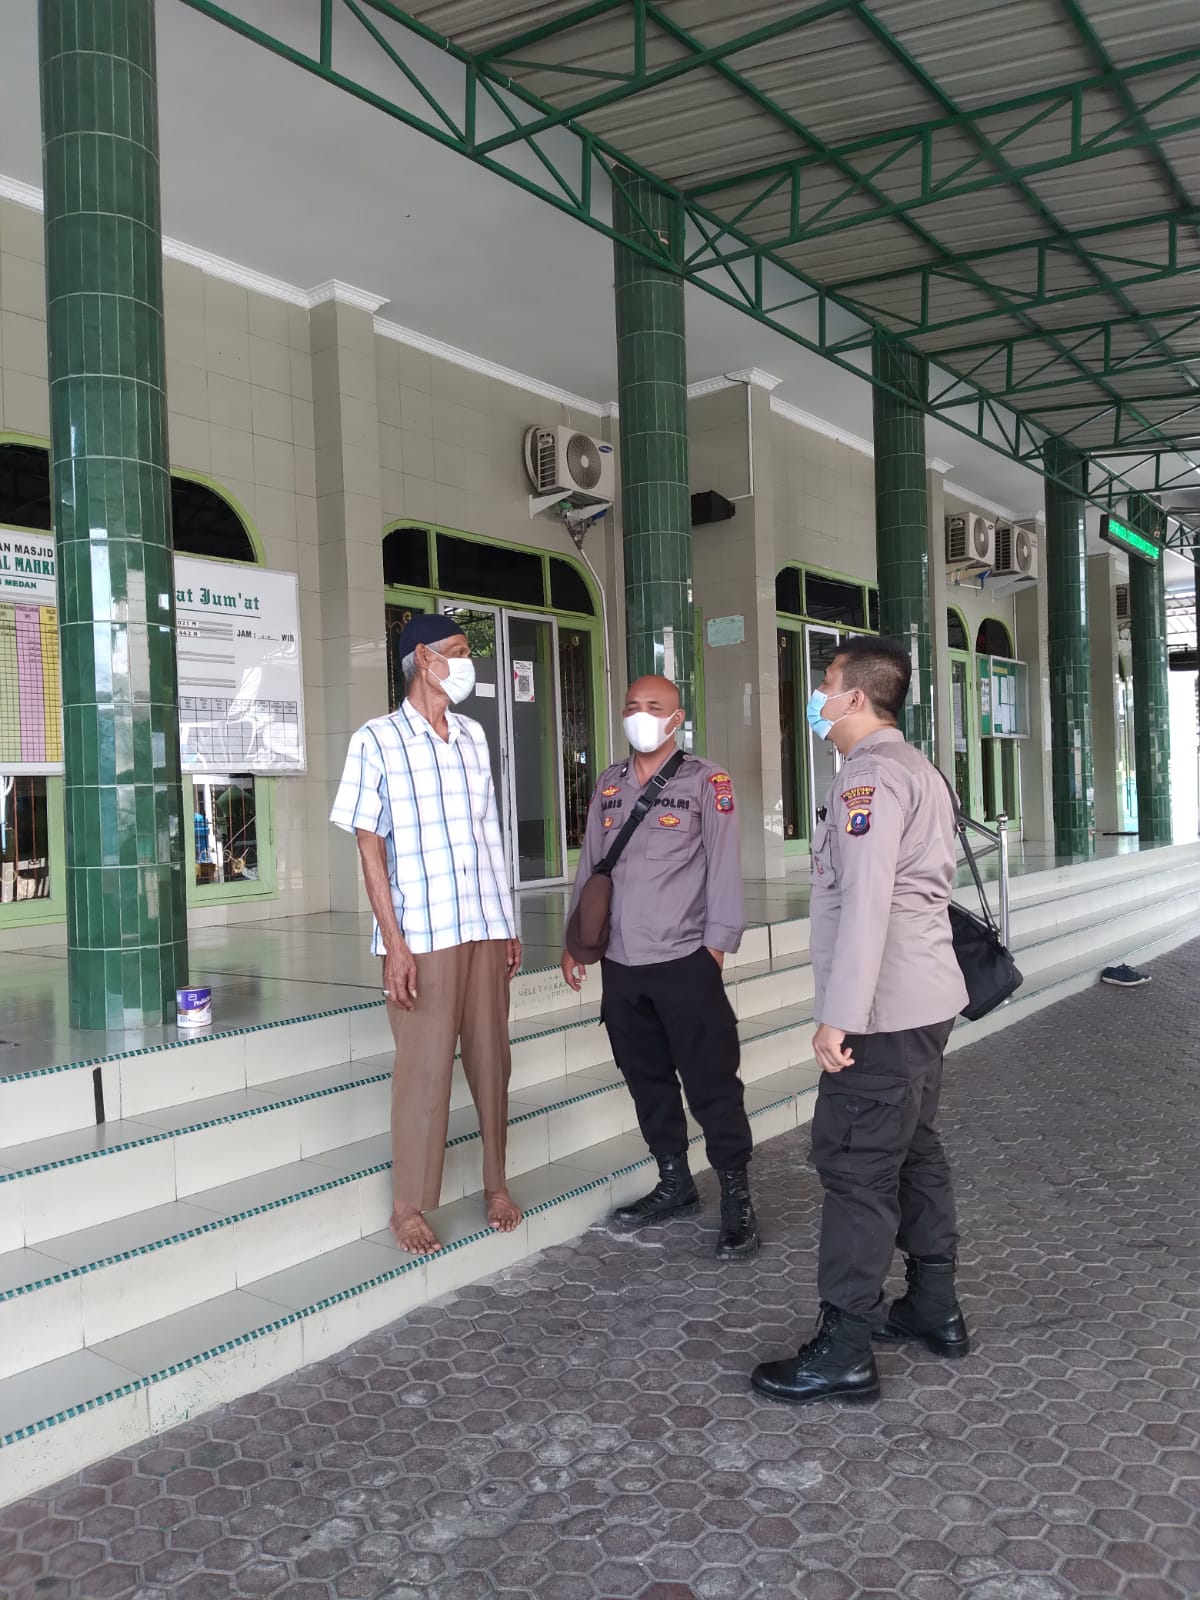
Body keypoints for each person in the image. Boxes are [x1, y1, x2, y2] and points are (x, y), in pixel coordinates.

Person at [751, 636, 970, 1406]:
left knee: (855, 1167)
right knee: (913, 1152)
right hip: (924, 1000)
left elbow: (869, 904)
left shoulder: (869, 778)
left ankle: (843, 1347)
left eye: (823, 684)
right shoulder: (916, 766)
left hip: (881, 1011)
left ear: (853, 696)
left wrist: (838, 1017)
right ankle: (933, 1308)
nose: (815, 696)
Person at [330, 614, 523, 1256]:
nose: (469, 664)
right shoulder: (376, 740)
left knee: (493, 1061)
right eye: (461, 652)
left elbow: (488, 836)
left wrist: (507, 922)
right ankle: (407, 1204)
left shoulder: (471, 736)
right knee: (424, 1071)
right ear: (425, 658)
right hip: (426, 933)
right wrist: (394, 944)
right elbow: (369, 848)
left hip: (483, 926)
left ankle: (496, 1182)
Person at [561, 675, 759, 1260]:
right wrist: (577, 941)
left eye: (653, 708)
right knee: (645, 1077)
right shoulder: (609, 785)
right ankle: (675, 1182)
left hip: (685, 960)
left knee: (712, 1083)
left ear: (676, 719)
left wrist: (716, 949)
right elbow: (592, 867)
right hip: (622, 963)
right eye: (631, 707)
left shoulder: (708, 782)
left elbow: (724, 867)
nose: (640, 716)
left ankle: (737, 1198)